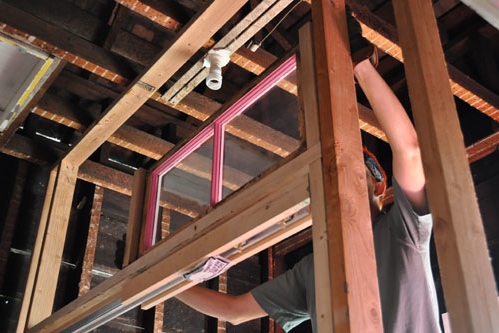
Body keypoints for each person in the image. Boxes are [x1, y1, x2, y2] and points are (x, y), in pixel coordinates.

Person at [176, 9, 441, 333]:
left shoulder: (403, 232)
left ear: (378, 187)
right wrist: (164, 285)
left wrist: (359, 65)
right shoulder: (315, 270)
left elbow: (409, 150)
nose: (337, 180)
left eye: (347, 170)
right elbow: (233, 310)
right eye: (329, 175)